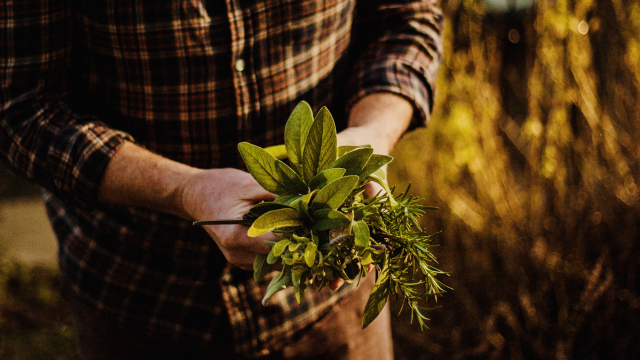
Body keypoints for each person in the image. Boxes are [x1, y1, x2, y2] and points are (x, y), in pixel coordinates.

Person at [0, 0, 443, 359]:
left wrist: (373, 134)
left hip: (331, 294)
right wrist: (185, 190)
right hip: (142, 297)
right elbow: (22, 109)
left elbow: (407, 19)